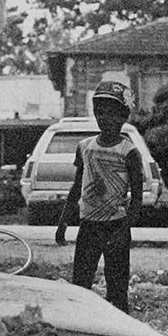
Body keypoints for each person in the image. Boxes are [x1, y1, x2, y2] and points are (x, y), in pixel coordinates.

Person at [55, 81, 143, 314]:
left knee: (117, 288)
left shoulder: (129, 152)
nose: (106, 119)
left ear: (124, 117)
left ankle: (121, 329)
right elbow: (76, 187)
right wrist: (64, 221)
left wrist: (124, 231)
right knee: (81, 284)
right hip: (88, 226)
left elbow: (136, 199)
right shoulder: (85, 147)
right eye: (101, 113)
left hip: (116, 226)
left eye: (114, 114)